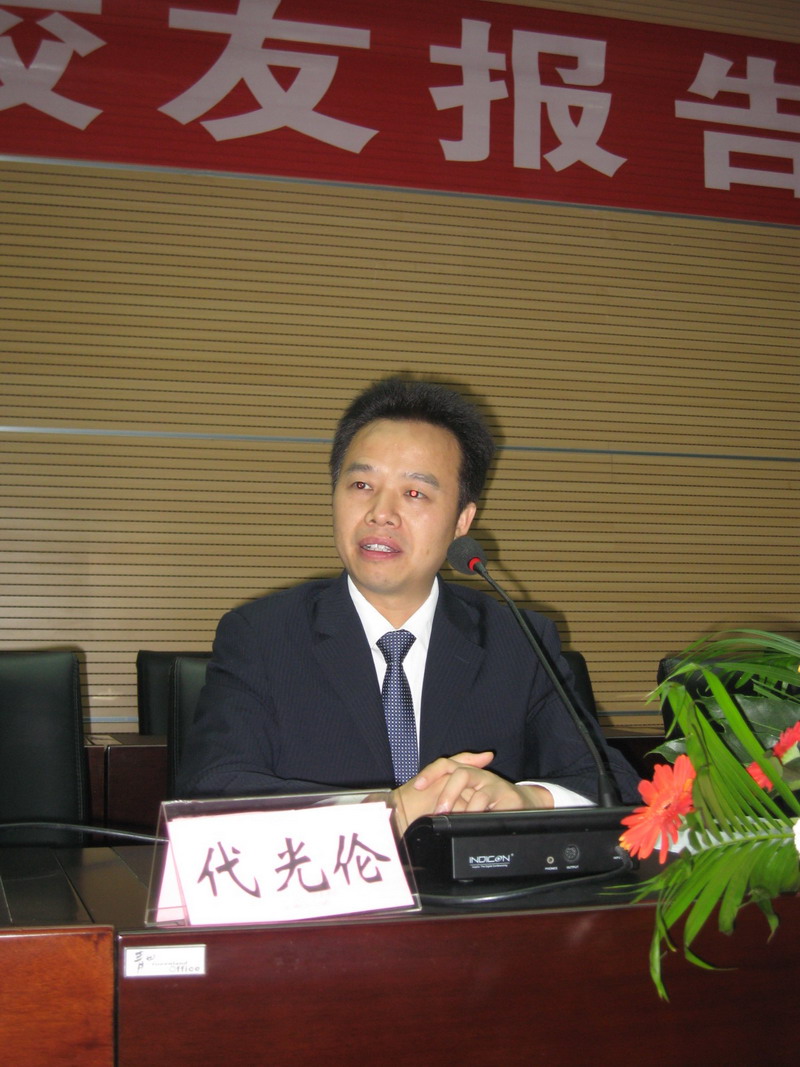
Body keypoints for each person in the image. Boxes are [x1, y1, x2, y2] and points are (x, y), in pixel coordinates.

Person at [176, 377, 640, 826]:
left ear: (462, 520)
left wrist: (527, 799)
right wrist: (387, 813)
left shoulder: (519, 641)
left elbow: (612, 784)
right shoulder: (262, 635)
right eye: (361, 486)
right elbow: (213, 788)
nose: (381, 513)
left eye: (415, 493)